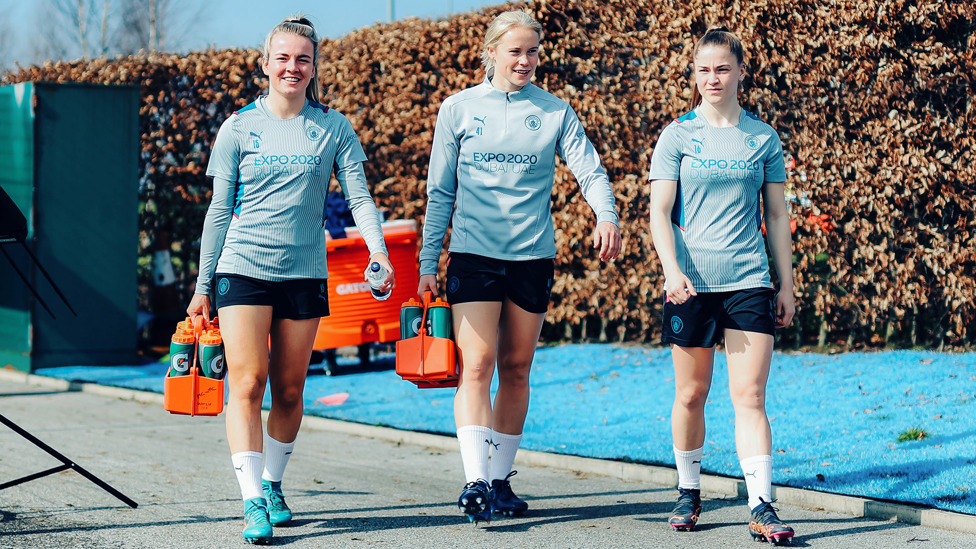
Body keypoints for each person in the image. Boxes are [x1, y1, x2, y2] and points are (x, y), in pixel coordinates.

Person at [187, 15, 393, 545]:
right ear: (265, 64)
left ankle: (274, 484)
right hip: (242, 267)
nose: (292, 67)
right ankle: (252, 500)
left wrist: (379, 253)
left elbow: (360, 198)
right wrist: (202, 284)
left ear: (314, 66)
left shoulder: (333, 128)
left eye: (302, 58)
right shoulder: (237, 127)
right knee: (248, 382)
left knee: (291, 389)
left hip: (303, 272)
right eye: (282, 57)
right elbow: (217, 211)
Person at [418, 10, 622, 524]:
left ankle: (499, 481)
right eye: (515, 51)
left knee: (516, 368)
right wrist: (427, 262)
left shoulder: (554, 111)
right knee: (478, 365)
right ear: (491, 52)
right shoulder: (457, 109)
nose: (526, 60)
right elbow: (440, 192)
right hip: (474, 255)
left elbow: (589, 169)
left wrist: (607, 214)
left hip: (532, 256)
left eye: (533, 51)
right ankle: (474, 482)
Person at [647, 25, 796, 545]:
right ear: (694, 75)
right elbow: (659, 213)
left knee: (750, 395)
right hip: (690, 285)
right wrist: (671, 270)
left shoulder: (762, 138)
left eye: (723, 68)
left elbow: (776, 216)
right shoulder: (677, 135)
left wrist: (786, 284)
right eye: (704, 69)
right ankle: (689, 489)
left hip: (748, 282)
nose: (713, 77)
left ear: (740, 73)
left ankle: (762, 505)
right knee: (691, 393)